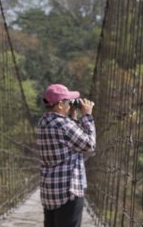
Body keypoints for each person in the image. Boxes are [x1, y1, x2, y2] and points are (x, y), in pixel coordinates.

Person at [36, 83, 96, 227]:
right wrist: (87, 116)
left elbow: (70, 141)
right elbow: (89, 145)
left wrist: (73, 116)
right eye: (68, 102)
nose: (70, 104)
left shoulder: (42, 122)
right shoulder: (63, 124)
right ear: (59, 105)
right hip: (68, 191)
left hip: (49, 192)